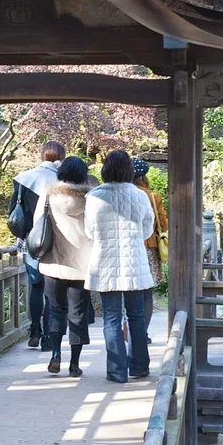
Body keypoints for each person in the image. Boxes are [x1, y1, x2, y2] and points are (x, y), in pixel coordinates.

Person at [85, 150, 155, 383]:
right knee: (136, 316)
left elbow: (89, 232)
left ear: (105, 169)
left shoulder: (94, 197)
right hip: (134, 261)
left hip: (105, 262)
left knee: (111, 318)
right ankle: (140, 366)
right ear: (129, 170)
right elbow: (147, 230)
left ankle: (116, 370)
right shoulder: (141, 196)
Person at [34, 156, 95, 376]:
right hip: (82, 265)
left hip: (54, 262)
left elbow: (37, 224)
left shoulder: (48, 196)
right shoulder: (90, 199)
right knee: (78, 314)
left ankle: (56, 355)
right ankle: (75, 364)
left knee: (56, 310)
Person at [11, 140, 65, 348]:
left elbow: (13, 213)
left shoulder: (22, 179)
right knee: (51, 289)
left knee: (36, 286)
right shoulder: (61, 180)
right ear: (61, 156)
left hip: (29, 241)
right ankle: (48, 338)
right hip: (54, 240)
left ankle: (34, 329)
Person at [132, 159, 165, 347]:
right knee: (146, 293)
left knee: (129, 292)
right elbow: (163, 221)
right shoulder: (153, 196)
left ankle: (128, 330)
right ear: (144, 176)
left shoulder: (124, 193)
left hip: (129, 246)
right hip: (149, 247)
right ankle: (142, 332)